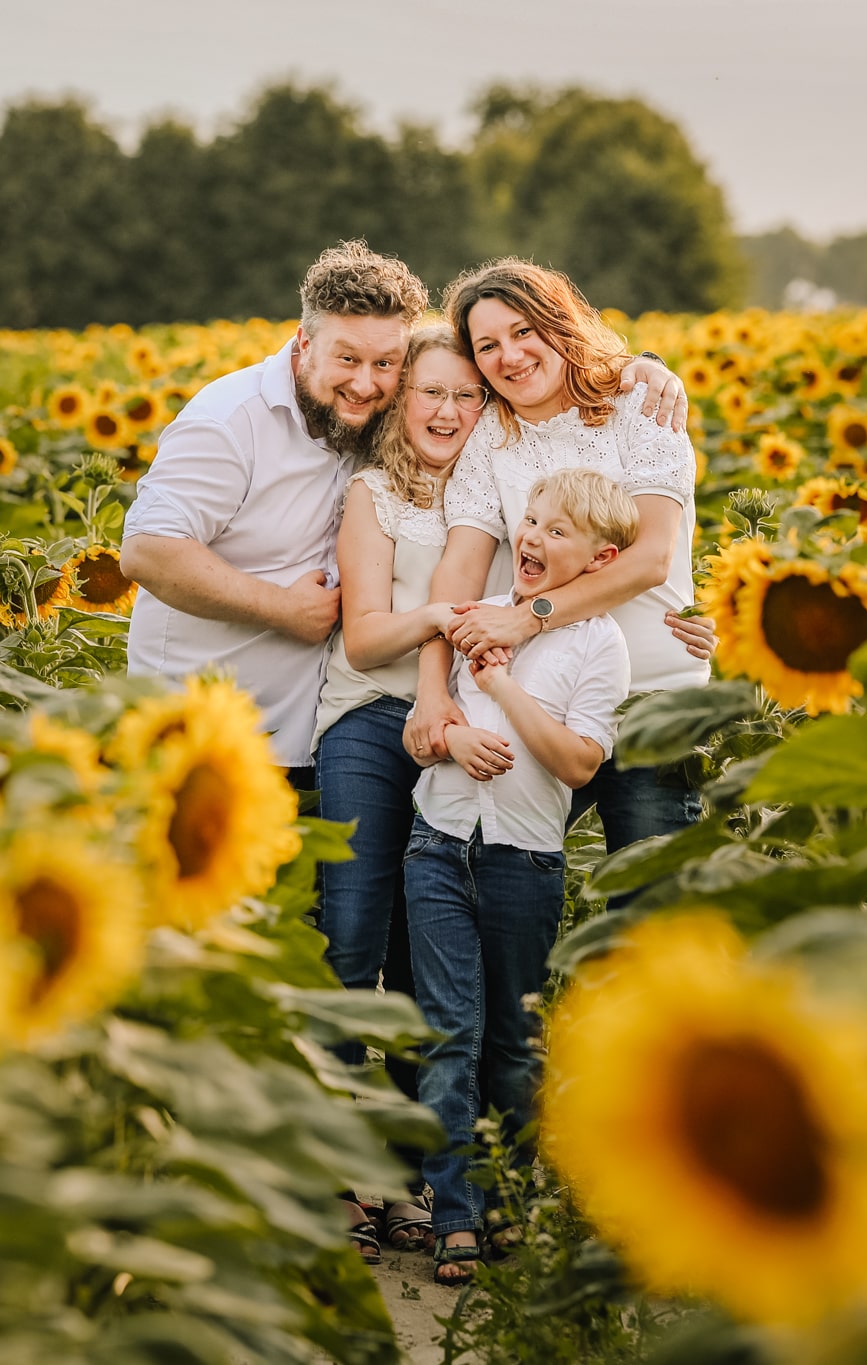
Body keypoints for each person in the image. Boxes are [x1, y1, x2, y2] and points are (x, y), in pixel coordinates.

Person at [122, 242, 689, 785]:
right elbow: (148, 550)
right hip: (198, 716)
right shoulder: (230, 421)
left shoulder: (378, 416)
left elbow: (644, 547)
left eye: (385, 363)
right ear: (302, 344)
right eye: (347, 358)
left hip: (306, 724)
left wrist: (643, 363)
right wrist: (287, 610)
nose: (365, 381)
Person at [404, 469, 639, 1284]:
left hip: (524, 860)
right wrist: (446, 738)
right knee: (448, 1032)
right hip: (437, 844)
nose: (533, 538)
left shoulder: (598, 642)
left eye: (557, 530)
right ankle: (455, 1214)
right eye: (531, 521)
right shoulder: (472, 617)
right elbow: (421, 734)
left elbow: (579, 760)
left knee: (510, 1041)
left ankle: (506, 1198)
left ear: (600, 557)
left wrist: (501, 682)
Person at [312, 322, 511, 1257]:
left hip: (463, 737)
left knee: (423, 966)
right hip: (369, 729)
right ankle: (331, 1175)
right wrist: (440, 614)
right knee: (352, 945)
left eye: (466, 395)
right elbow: (361, 639)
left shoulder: (507, 488)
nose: (447, 410)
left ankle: (406, 1177)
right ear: (401, 402)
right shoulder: (375, 494)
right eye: (430, 391)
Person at [406, 259, 711, 854]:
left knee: (649, 908)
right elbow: (459, 572)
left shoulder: (640, 408)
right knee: (508, 886)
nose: (510, 356)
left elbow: (650, 557)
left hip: (651, 700)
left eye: (524, 331)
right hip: (536, 702)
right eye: (488, 345)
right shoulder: (490, 437)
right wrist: (431, 688)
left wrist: (527, 616)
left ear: (559, 323)